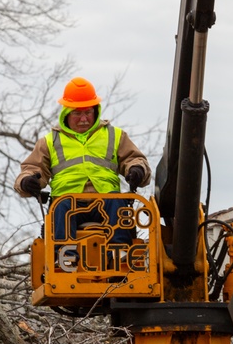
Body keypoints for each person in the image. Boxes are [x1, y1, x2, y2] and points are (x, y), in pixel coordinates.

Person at [14, 76, 151, 247]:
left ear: (95, 110)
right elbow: (32, 168)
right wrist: (27, 181)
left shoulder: (115, 135)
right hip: (68, 201)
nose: (83, 119)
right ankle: (65, 257)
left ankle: (119, 252)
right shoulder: (50, 141)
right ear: (66, 113)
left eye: (87, 112)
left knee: (117, 202)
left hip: (106, 199)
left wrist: (137, 169)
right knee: (61, 206)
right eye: (77, 113)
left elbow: (134, 159)